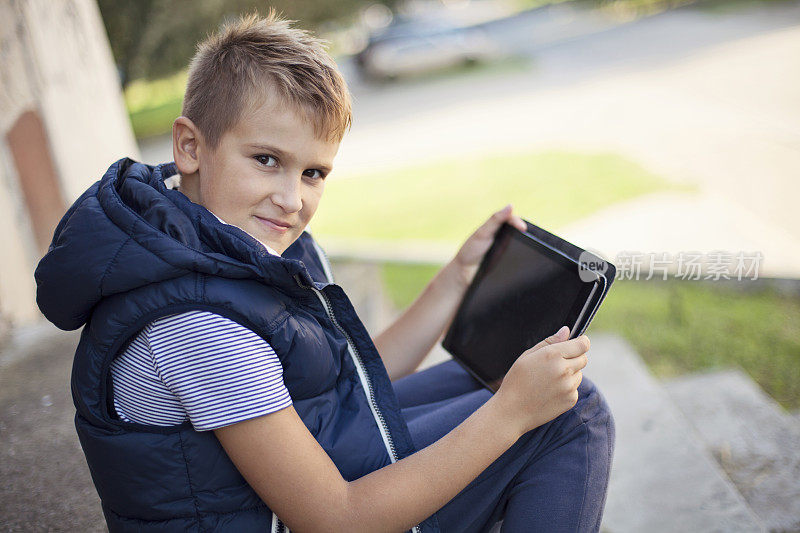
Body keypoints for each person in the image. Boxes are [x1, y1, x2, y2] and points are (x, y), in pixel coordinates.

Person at [34, 10, 614, 533]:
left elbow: (342, 385)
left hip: (303, 486)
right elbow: (337, 518)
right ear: (190, 147)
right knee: (572, 411)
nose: (292, 199)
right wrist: (510, 417)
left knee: (493, 377)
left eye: (314, 173)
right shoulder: (199, 328)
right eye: (267, 160)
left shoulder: (215, 245)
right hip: (318, 514)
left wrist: (456, 279)